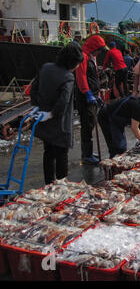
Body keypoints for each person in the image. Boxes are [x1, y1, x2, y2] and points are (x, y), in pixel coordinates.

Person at [30, 43, 84, 185]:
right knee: (61, 154)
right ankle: (61, 185)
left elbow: (34, 88)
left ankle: (49, 183)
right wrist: (52, 114)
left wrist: (37, 106)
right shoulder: (68, 77)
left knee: (48, 152)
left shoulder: (46, 67)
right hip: (59, 122)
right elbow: (63, 101)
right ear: (73, 62)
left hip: (43, 118)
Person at [97, 87, 140, 158]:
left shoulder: (139, 103)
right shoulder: (138, 107)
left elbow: (135, 127)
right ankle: (112, 166)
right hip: (106, 117)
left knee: (121, 146)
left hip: (116, 120)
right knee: (117, 147)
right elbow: (134, 128)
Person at [75, 34, 107, 165]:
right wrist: (87, 93)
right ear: (94, 47)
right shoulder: (83, 57)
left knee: (92, 123)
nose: (100, 52)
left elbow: (95, 77)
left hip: (93, 95)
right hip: (85, 98)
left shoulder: (92, 58)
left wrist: (97, 94)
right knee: (87, 125)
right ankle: (86, 155)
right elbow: (81, 76)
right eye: (99, 49)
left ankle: (88, 152)